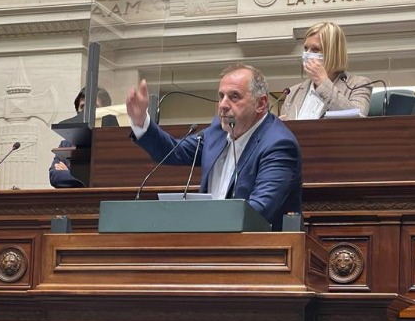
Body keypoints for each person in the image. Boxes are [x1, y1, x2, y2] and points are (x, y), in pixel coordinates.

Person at [127, 63, 302, 231]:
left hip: (257, 248)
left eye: (234, 97)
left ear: (261, 104)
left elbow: (259, 211)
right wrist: (141, 122)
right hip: (210, 240)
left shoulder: (278, 144)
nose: (223, 105)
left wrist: (200, 220)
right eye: (221, 96)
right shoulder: (218, 130)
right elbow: (173, 151)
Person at [280, 21, 373, 120]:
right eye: (306, 48)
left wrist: (323, 83)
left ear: (333, 53)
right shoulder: (292, 92)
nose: (307, 54)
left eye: (315, 49)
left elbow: (357, 119)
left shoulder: (359, 85)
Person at [49, 87, 115, 188]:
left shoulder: (112, 143)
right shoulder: (66, 144)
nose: (86, 112)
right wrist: (89, 178)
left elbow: (110, 177)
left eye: (94, 107)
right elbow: (56, 177)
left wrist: (69, 173)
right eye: (83, 106)